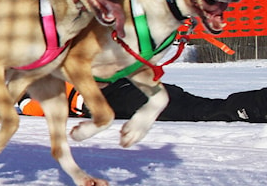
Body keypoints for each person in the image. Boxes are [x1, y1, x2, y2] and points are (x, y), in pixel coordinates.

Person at [18, 78, 267, 123]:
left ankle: (254, 106)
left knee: (198, 108)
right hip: (126, 93)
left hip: (124, 94)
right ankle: (255, 104)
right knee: (198, 107)